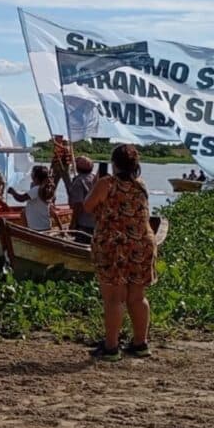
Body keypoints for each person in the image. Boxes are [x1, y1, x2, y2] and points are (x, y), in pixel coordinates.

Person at [82, 144, 158, 361]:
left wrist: (96, 183)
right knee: (137, 296)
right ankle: (140, 343)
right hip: (142, 243)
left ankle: (111, 347)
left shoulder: (107, 183)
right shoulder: (140, 184)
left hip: (115, 245)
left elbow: (87, 206)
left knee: (114, 298)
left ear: (114, 163)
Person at [8, 165, 57, 231]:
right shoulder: (45, 188)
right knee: (23, 212)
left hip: (37, 228)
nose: (31, 174)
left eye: (32, 173)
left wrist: (13, 192)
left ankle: (26, 232)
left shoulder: (36, 189)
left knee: (23, 212)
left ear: (36, 178)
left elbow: (21, 198)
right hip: (45, 226)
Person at [68, 156, 97, 242]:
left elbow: (78, 205)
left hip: (85, 223)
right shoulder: (95, 178)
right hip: (96, 222)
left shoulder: (79, 181)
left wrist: (73, 223)